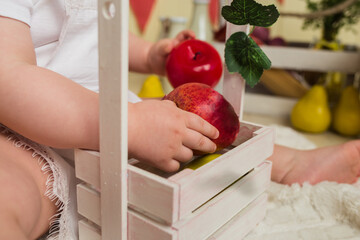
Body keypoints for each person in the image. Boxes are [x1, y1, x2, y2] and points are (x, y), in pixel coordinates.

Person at [0, 1, 359, 239]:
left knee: (192, 125)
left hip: (111, 111)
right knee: (10, 192)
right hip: (21, 133)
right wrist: (129, 124)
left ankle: (287, 162)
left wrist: (151, 55)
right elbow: (8, 76)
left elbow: (99, 34)